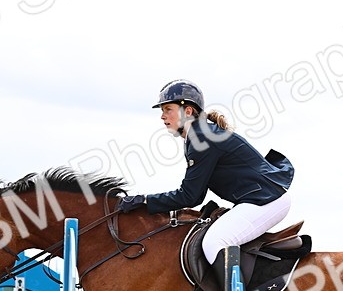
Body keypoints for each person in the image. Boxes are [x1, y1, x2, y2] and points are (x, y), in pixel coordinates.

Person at [116, 79, 295, 264]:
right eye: (162, 111)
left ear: (188, 111)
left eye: (168, 109)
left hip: (267, 201)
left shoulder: (202, 139)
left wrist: (144, 201)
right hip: (262, 199)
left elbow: (189, 196)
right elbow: (196, 195)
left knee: (214, 242)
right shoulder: (199, 135)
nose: (162, 116)